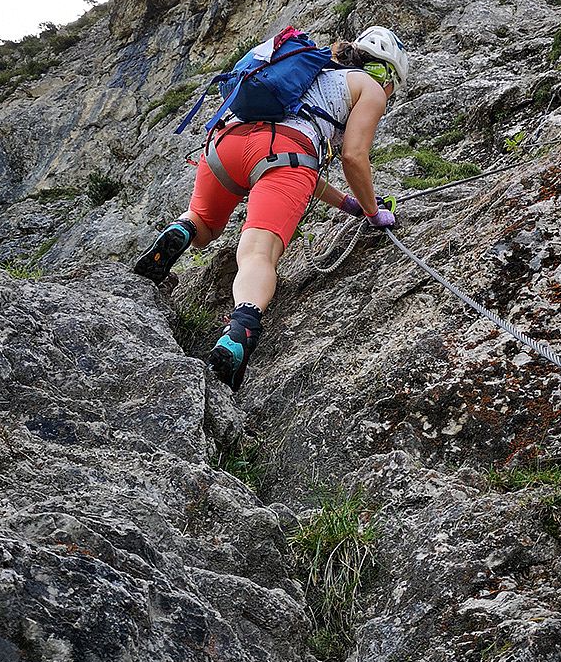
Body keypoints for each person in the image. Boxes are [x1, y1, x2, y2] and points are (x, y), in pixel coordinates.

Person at [133, 25, 409, 390]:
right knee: (258, 254)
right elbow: (353, 156)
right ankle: (239, 333)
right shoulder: (370, 88)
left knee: (204, 226)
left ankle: (180, 230)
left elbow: (304, 171)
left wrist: (347, 203)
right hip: (286, 155)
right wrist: (373, 212)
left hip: (225, 144)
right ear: (387, 72)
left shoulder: (313, 68)